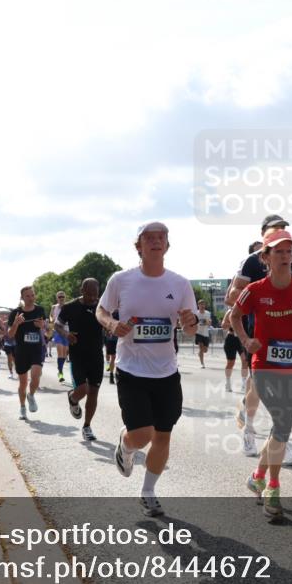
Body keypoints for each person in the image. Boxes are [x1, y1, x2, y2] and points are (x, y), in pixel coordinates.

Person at [97, 221, 198, 517]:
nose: (156, 241)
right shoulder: (121, 280)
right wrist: (112, 324)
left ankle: (148, 492)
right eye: (149, 237)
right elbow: (101, 310)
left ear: (167, 245)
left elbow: (191, 328)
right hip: (131, 369)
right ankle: (126, 445)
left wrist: (190, 322)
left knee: (163, 436)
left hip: (167, 372)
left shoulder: (180, 284)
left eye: (161, 237)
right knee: (142, 435)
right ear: (139, 246)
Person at [230, 229, 292, 520]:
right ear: (266, 257)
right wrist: (246, 340)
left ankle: (257, 476)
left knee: (281, 428)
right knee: (281, 423)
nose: (286, 256)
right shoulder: (254, 290)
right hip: (264, 366)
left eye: (289, 251)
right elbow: (234, 316)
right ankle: (273, 487)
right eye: (279, 251)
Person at [225, 221, 292, 465]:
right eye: (275, 229)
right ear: (263, 234)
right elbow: (232, 296)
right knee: (260, 388)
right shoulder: (251, 261)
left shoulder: (289, 260)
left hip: (287, 334)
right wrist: (258, 296)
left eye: (284, 229)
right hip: (258, 332)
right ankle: (249, 430)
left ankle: (280, 440)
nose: (280, 233)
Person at [55, 278, 106, 441]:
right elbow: (57, 325)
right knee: (83, 389)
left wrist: (110, 328)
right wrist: (66, 334)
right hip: (77, 355)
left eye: (95, 294)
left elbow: (109, 321)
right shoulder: (70, 307)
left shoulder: (102, 306)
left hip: (96, 355)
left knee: (93, 392)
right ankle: (73, 398)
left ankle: (87, 426)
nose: (92, 297)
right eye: (89, 294)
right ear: (82, 291)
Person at [9, 286, 47, 420]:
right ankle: (22, 407)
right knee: (23, 382)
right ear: (22, 298)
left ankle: (31, 395)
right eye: (28, 296)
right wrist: (16, 323)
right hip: (21, 351)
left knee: (36, 376)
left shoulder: (40, 310)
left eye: (32, 295)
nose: (31, 298)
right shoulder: (15, 313)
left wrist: (41, 326)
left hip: (36, 349)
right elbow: (10, 334)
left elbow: (45, 328)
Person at [221, 308, 249, 395]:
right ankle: (228, 382)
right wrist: (234, 324)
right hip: (231, 338)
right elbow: (223, 325)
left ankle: (244, 384)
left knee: (245, 360)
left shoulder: (246, 311)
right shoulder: (230, 311)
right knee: (231, 362)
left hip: (242, 339)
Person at [51, 291, 70, 383]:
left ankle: (60, 369)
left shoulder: (68, 307)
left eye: (62, 296)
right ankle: (61, 372)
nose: (61, 298)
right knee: (60, 352)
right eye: (59, 297)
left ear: (65, 298)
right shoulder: (54, 307)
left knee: (64, 354)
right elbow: (51, 318)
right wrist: (53, 321)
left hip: (66, 332)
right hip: (58, 331)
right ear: (57, 298)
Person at [194, 299, 212, 368]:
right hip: (198, 333)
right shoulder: (196, 313)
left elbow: (209, 323)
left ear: (205, 305)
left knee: (205, 350)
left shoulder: (208, 313)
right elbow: (194, 322)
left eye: (203, 304)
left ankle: (200, 353)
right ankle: (202, 364)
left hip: (205, 333)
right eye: (201, 304)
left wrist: (208, 322)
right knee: (201, 348)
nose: (202, 306)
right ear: (198, 305)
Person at [104, 310, 119, 385]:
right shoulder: (109, 311)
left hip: (119, 338)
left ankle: (114, 375)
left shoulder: (121, 311)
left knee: (115, 357)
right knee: (112, 356)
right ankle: (111, 374)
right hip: (111, 338)